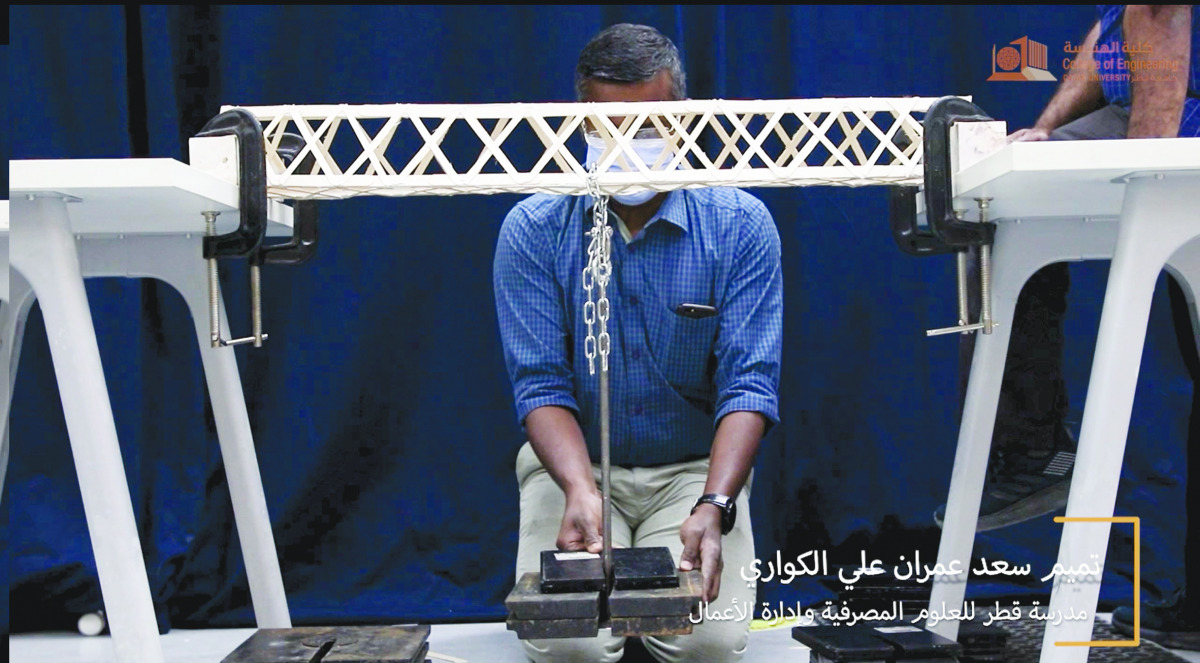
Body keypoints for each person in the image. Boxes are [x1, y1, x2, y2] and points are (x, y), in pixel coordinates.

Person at [492, 23, 783, 663]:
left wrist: (716, 502)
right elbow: (539, 384)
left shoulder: (739, 226)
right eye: (609, 126)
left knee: (706, 641)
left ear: (682, 117)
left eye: (649, 126)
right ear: (581, 123)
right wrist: (577, 488)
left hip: (689, 471)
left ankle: (648, 592)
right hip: (572, 468)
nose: (630, 145)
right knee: (567, 645)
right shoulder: (532, 231)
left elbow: (750, 384)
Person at [935, 4, 1198, 650]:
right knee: (1011, 181)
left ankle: (1030, 442)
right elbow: (1109, 36)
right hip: (1154, 103)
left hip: (1179, 115)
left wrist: (1153, 172)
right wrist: (1049, 127)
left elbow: (1159, 13)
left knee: (1006, 200)